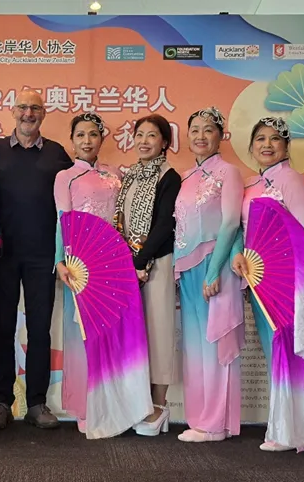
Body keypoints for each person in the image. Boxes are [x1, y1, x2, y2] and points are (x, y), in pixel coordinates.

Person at [230, 117, 304, 451]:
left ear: (286, 146)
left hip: (286, 278)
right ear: (251, 147)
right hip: (258, 278)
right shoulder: (250, 183)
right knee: (273, 349)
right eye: (260, 139)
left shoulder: (290, 179)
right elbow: (240, 228)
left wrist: (280, 261)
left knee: (289, 348)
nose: (267, 145)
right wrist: (238, 253)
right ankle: (286, 425)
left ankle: (296, 430)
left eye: (275, 139)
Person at [0, 90, 73, 430]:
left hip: (42, 256)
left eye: (35, 108)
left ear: (43, 114)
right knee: (2, 329)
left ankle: (36, 402)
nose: (28, 113)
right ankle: (3, 401)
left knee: (39, 330)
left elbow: (75, 193)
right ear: (12, 111)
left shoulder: (57, 154)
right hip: (2, 255)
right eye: (22, 107)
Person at [54, 112, 151, 437]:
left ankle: (117, 404)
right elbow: (62, 220)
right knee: (82, 334)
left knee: (113, 332)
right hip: (81, 265)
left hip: (115, 262)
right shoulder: (65, 177)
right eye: (80, 135)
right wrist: (60, 261)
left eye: (93, 134)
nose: (87, 141)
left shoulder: (116, 174)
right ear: (72, 141)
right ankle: (86, 405)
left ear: (101, 139)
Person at [173, 107, 244, 442]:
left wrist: (214, 269)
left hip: (214, 264)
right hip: (187, 267)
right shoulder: (185, 176)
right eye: (195, 130)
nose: (201, 136)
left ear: (220, 136)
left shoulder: (229, 172)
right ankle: (201, 419)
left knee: (215, 341)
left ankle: (216, 424)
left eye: (208, 130)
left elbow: (231, 222)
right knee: (194, 345)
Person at [114, 114, 181, 436]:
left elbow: (165, 223)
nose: (144, 141)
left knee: (158, 331)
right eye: (139, 134)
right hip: (129, 267)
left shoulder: (169, 176)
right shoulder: (129, 177)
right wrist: (127, 262)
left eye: (152, 135)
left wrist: (141, 260)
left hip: (156, 264)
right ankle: (136, 403)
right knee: (134, 336)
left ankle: (158, 405)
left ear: (165, 142)